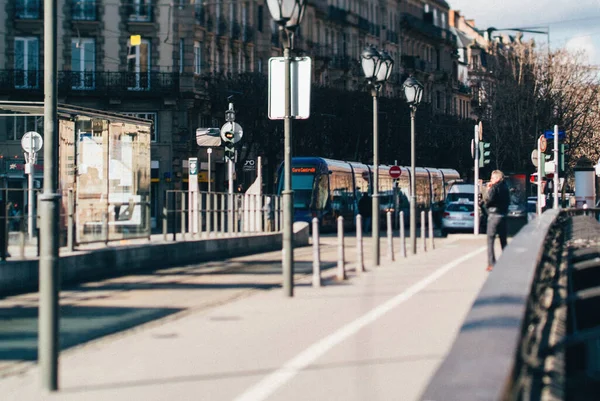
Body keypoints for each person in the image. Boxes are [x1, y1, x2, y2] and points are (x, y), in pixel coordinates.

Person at [482, 170, 510, 271]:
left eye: (492, 178)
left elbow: (488, 200)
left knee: (490, 240)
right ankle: (506, 261)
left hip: (493, 216)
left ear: (497, 178)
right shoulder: (506, 187)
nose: (490, 180)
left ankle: (491, 263)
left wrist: (488, 189)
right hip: (503, 215)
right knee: (503, 240)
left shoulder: (494, 188)